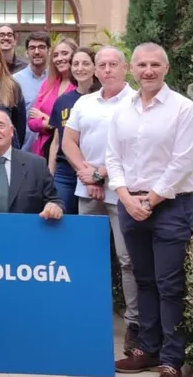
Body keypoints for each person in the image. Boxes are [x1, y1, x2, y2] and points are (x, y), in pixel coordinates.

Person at [108, 43, 193, 377]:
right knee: (144, 280)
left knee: (170, 284)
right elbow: (112, 158)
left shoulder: (183, 109)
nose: (148, 71)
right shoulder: (121, 110)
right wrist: (126, 196)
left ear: (166, 68)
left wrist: (150, 200)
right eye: (142, 65)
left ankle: (171, 360)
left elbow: (183, 162)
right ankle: (147, 349)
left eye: (155, 65)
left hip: (171, 207)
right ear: (132, 68)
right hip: (130, 204)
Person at [62, 45, 140, 355]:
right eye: (102, 65)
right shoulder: (84, 102)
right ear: (95, 70)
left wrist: (102, 175)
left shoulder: (137, 101)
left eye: (113, 64)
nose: (107, 69)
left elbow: (137, 147)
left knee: (127, 260)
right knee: (87, 258)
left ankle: (134, 324)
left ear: (125, 68)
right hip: (88, 191)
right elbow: (69, 142)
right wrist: (86, 172)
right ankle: (88, 318)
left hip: (123, 192)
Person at [0, 110, 63, 218]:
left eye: (1, 125)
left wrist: (53, 206)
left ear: (11, 131)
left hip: (24, 230)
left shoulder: (36, 165)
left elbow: (53, 199)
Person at [47, 47, 101, 214]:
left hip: (94, 170)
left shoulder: (103, 98)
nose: (80, 68)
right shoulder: (63, 101)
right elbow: (56, 141)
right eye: (75, 64)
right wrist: (50, 174)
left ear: (95, 67)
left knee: (91, 223)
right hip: (65, 173)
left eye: (86, 63)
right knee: (62, 218)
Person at [28, 38, 77, 157]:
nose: (59, 59)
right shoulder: (48, 84)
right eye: (55, 55)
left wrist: (47, 119)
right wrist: (54, 124)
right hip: (44, 149)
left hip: (71, 151)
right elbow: (32, 122)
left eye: (65, 53)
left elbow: (72, 125)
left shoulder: (79, 86)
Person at [12, 31, 50, 149]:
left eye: (41, 47)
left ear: (49, 51)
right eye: (32, 48)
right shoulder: (15, 81)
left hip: (50, 146)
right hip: (24, 149)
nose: (37, 52)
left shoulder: (57, 79)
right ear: (26, 52)